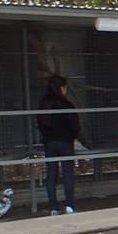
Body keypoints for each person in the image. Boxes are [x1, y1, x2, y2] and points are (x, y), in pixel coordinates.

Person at [36, 75, 81, 216]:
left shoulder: (44, 104)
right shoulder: (67, 104)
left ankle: (53, 207)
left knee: (51, 173)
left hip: (49, 142)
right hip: (66, 141)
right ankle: (70, 205)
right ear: (62, 87)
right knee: (68, 173)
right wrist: (73, 135)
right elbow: (75, 125)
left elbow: (41, 124)